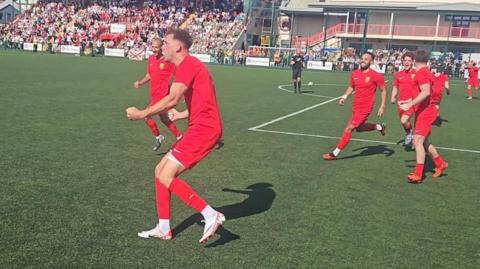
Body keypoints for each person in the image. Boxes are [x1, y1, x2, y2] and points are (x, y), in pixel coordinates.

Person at [126, 28, 225, 243]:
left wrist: (142, 113)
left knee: (166, 174)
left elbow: (172, 99)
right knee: (159, 170)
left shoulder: (189, 64)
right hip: (200, 126)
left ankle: (210, 214)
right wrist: (181, 114)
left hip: (204, 130)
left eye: (167, 42)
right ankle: (164, 227)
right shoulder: (189, 66)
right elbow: (203, 102)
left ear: (178, 47)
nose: (163, 46)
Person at [323, 52, 387, 160]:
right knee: (359, 128)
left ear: (371, 62)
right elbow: (351, 87)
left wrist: (382, 106)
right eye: (362, 58)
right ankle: (379, 127)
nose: (363, 60)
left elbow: (383, 90)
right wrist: (344, 97)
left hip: (365, 108)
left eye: (366, 59)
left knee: (349, 128)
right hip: (355, 107)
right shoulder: (354, 73)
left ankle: (334, 153)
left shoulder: (376, 76)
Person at [399, 50, 448, 183]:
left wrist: (409, 105)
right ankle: (440, 163)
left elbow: (426, 92)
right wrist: (409, 102)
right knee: (424, 142)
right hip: (424, 111)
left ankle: (418, 174)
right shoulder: (425, 72)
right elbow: (422, 93)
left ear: (414, 60)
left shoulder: (422, 73)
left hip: (426, 113)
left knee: (417, 141)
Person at [133, 38, 182, 151]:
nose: (154, 49)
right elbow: (149, 75)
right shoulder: (150, 59)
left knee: (146, 114)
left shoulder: (167, 61)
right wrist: (140, 82)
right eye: (153, 47)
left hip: (163, 96)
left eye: (156, 47)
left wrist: (180, 91)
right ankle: (180, 137)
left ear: (161, 48)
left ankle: (158, 136)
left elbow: (179, 76)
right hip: (154, 94)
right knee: (164, 119)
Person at [391, 52, 416, 146]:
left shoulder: (416, 74)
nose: (407, 62)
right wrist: (393, 97)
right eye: (405, 60)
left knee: (404, 120)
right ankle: (409, 134)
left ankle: (412, 136)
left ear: (413, 62)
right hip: (401, 103)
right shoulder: (398, 75)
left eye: (409, 60)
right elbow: (395, 87)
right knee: (404, 121)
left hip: (413, 102)